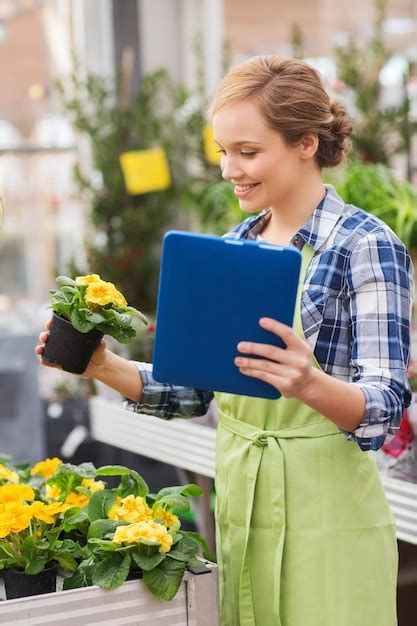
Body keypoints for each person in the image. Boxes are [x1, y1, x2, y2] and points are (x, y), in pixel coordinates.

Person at [37, 55, 413, 626]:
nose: (228, 169)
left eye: (248, 151)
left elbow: (384, 408)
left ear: (306, 142)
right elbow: (194, 390)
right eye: (222, 152)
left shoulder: (366, 246)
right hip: (242, 502)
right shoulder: (235, 243)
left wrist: (309, 383)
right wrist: (102, 364)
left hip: (329, 517)